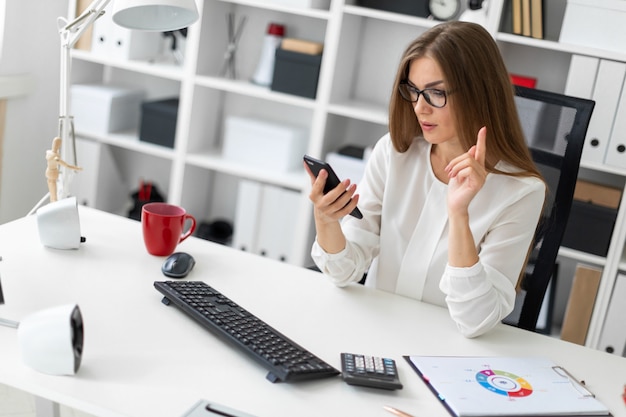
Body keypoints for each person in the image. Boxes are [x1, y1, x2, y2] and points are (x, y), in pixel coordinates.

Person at [304, 21, 546, 338]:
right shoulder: (393, 152)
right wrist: (326, 221)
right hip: (373, 331)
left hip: (447, 354)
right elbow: (344, 271)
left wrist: (458, 214)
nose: (420, 107)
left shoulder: (521, 191)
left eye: (436, 93)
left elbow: (476, 320)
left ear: (480, 93)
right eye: (414, 91)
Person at [45, 137, 81, 202]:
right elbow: (67, 165)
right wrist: (76, 168)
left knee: (51, 187)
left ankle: (52, 200)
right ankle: (53, 201)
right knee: (54, 190)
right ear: (58, 145)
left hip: (48, 172)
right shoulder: (56, 158)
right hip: (53, 173)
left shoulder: (48, 153)